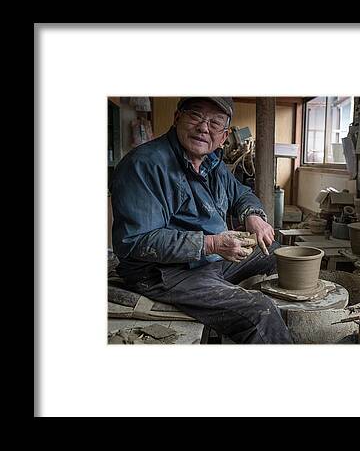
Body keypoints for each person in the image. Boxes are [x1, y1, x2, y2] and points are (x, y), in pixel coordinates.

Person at [110, 97, 292, 343]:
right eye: (195, 116)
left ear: (224, 135)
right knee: (261, 311)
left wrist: (253, 216)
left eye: (215, 123)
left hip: (211, 258)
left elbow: (242, 194)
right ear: (177, 119)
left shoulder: (212, 163)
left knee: (279, 256)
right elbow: (136, 241)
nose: (204, 127)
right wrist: (212, 244)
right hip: (164, 272)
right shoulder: (143, 165)